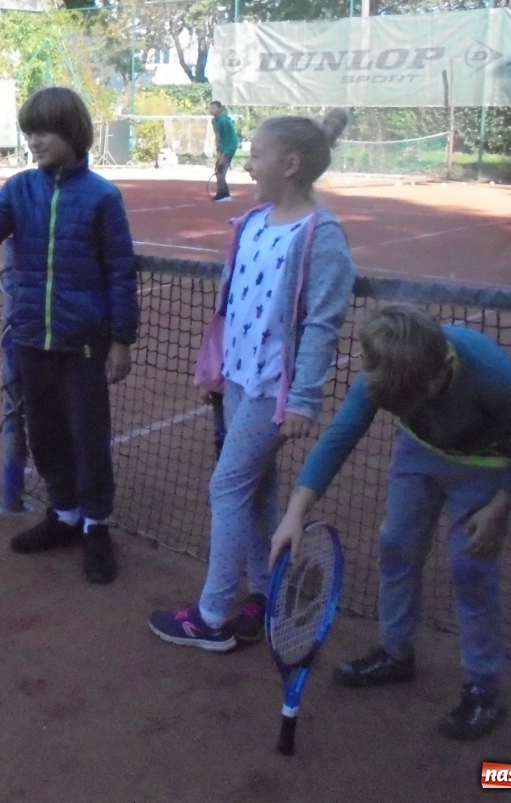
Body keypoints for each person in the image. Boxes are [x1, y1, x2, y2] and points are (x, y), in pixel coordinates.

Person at [270, 305, 511, 741]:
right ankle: (395, 652)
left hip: (484, 460)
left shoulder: (495, 378)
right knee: (396, 546)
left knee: (471, 567)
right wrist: (294, 513)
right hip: (419, 451)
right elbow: (341, 435)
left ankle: (484, 685)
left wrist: (499, 509)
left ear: (441, 370)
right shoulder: (386, 370)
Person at [0, 87, 138, 583]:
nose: (33, 141)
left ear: (72, 133)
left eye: (43, 131)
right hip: (33, 338)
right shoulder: (18, 189)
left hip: (84, 344)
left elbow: (121, 272)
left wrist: (121, 339)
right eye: (28, 132)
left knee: (89, 437)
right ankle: (63, 514)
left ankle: (96, 525)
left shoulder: (102, 196)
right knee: (46, 433)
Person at [151, 109, 354, 651]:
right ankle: (264, 595)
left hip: (274, 390)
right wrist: (216, 370)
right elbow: (233, 304)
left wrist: (304, 400)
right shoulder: (256, 223)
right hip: (239, 377)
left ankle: (213, 615)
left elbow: (321, 322)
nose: (246, 161)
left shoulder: (321, 236)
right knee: (258, 489)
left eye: (257, 153)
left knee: (227, 486)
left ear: (289, 165)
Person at [208, 100, 238, 202]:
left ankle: (225, 195)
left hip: (230, 146)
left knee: (221, 171)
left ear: (220, 109)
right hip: (223, 147)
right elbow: (218, 137)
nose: (211, 110)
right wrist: (218, 151)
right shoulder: (214, 121)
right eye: (210, 108)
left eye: (214, 108)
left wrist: (223, 153)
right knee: (218, 170)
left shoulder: (223, 121)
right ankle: (222, 193)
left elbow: (225, 138)